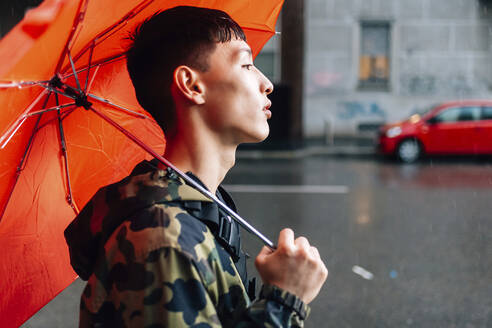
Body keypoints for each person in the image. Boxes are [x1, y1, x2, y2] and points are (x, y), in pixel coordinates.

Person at [64, 6, 327, 327]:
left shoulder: (198, 214)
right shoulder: (162, 237)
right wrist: (286, 299)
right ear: (191, 85)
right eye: (246, 64)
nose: (266, 83)